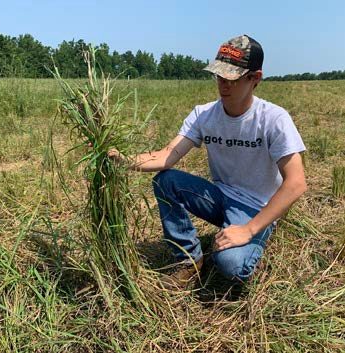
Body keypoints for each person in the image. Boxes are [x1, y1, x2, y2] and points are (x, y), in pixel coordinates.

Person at [109, 34, 307, 289]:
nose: (223, 84)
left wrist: (248, 229)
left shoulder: (273, 119)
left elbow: (296, 183)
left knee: (232, 266)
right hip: (219, 195)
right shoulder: (204, 115)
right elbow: (167, 155)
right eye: (218, 75)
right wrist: (122, 160)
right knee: (166, 181)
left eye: (232, 78)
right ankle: (189, 260)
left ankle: (256, 240)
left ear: (254, 78)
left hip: (255, 207)